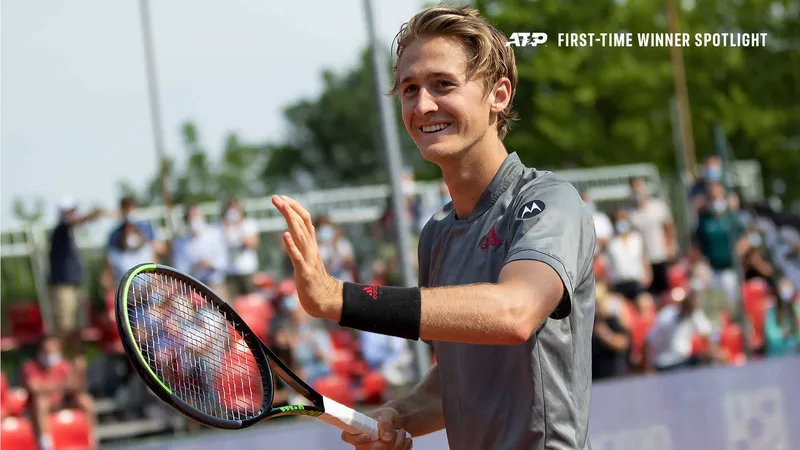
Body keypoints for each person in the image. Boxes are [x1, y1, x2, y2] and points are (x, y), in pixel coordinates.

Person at [271, 5, 596, 449]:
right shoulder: (437, 233)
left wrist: (339, 299)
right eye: (409, 89)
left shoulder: (550, 200)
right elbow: (457, 379)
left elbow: (514, 312)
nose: (423, 105)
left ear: (498, 95)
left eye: (443, 84)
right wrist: (396, 415)